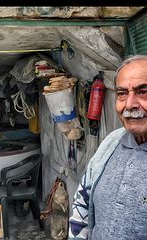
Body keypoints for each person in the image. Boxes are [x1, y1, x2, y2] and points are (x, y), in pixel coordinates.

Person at [68, 55, 147, 240]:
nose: (129, 105)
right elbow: (82, 202)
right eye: (122, 94)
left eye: (143, 91)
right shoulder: (111, 142)